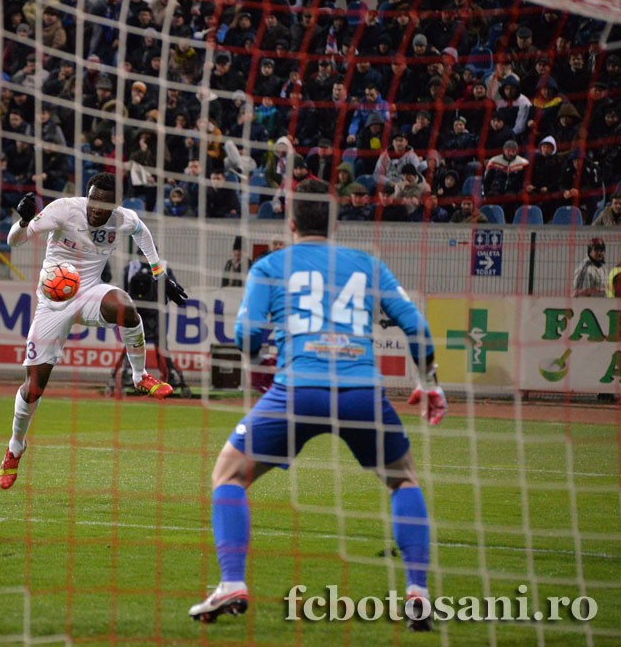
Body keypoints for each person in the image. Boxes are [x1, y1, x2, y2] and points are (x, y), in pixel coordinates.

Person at [188, 178, 446, 631]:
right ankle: (418, 592)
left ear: (290, 223)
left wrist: (265, 341)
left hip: (297, 391)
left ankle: (232, 582)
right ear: (335, 224)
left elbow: (245, 340)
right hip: (362, 392)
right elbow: (417, 327)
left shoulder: (269, 266)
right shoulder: (369, 266)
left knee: (228, 474)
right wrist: (431, 384)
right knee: (403, 479)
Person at [0, 173, 189, 490]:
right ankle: (16, 446)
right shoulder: (63, 210)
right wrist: (22, 221)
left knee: (125, 306)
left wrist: (159, 273)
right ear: (88, 194)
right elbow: (14, 242)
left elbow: (142, 232)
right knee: (33, 388)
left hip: (89, 293)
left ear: (115, 204)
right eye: (93, 200)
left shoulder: (123, 219)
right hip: (53, 301)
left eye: (105, 204)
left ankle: (140, 376)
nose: (97, 209)